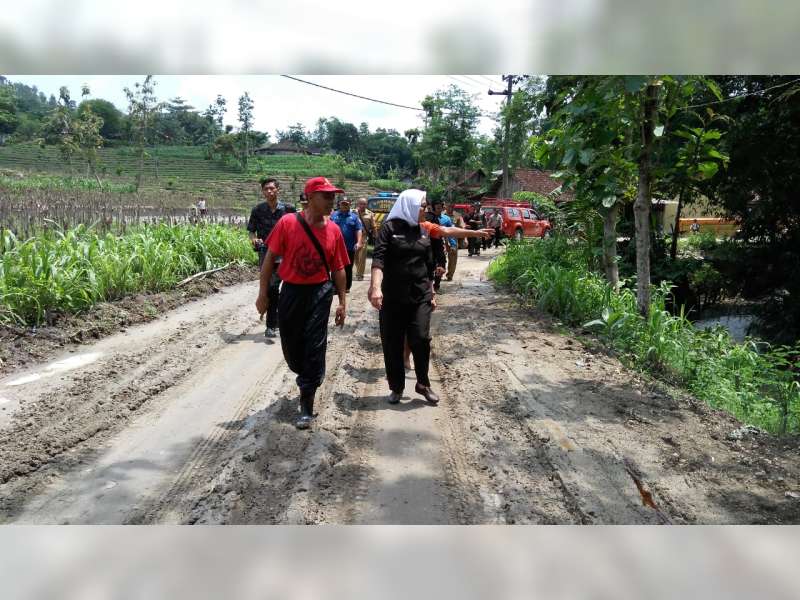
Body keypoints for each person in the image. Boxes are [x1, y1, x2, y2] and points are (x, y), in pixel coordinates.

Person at [369, 189, 492, 404]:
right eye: (422, 205)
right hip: (393, 297)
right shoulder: (389, 229)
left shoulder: (425, 229)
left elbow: (441, 238)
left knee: (421, 339)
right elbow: (378, 260)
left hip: (420, 295)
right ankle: (396, 387)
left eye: (425, 205)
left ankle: (422, 384)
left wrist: (475, 233)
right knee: (392, 342)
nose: (425, 209)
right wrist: (376, 287)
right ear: (410, 206)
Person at [256, 177, 350, 430]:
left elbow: (339, 268)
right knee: (292, 350)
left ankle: (307, 403)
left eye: (334, 196)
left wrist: (342, 301)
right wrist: (263, 294)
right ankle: (305, 373)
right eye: (327, 196)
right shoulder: (287, 223)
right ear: (310, 197)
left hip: (320, 292)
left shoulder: (334, 230)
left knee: (314, 345)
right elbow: (269, 260)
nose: (333, 201)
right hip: (291, 292)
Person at [247, 177, 296, 338]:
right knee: (271, 288)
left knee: (289, 289)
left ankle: (284, 321)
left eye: (272, 188)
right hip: (266, 254)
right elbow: (251, 232)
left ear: (278, 190)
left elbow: (298, 229)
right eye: (266, 189)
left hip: (287, 254)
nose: (269, 191)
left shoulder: (289, 209)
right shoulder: (257, 210)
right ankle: (271, 325)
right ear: (262, 191)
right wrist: (254, 240)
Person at [330, 197, 363, 292]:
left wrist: (359, 242)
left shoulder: (354, 217)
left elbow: (358, 230)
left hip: (349, 247)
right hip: (335, 247)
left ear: (349, 205)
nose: (344, 205)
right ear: (339, 204)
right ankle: (335, 286)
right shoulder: (334, 216)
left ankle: (346, 287)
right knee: (335, 267)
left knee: (348, 267)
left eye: (346, 204)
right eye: (342, 203)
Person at [354, 197, 375, 281]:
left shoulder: (370, 214)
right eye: (360, 203)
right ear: (357, 204)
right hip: (353, 237)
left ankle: (360, 274)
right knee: (355, 256)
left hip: (364, 237)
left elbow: (373, 227)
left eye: (364, 204)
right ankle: (359, 271)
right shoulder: (353, 213)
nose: (362, 205)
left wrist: (375, 237)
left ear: (367, 204)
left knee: (362, 257)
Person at [439, 205, 459, 281]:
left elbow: (461, 226)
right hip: (441, 241)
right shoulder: (436, 215)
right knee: (441, 259)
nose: (450, 208)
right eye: (449, 205)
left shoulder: (456, 215)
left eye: (452, 206)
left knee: (453, 259)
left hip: (452, 239)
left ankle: (450, 275)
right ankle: (438, 276)